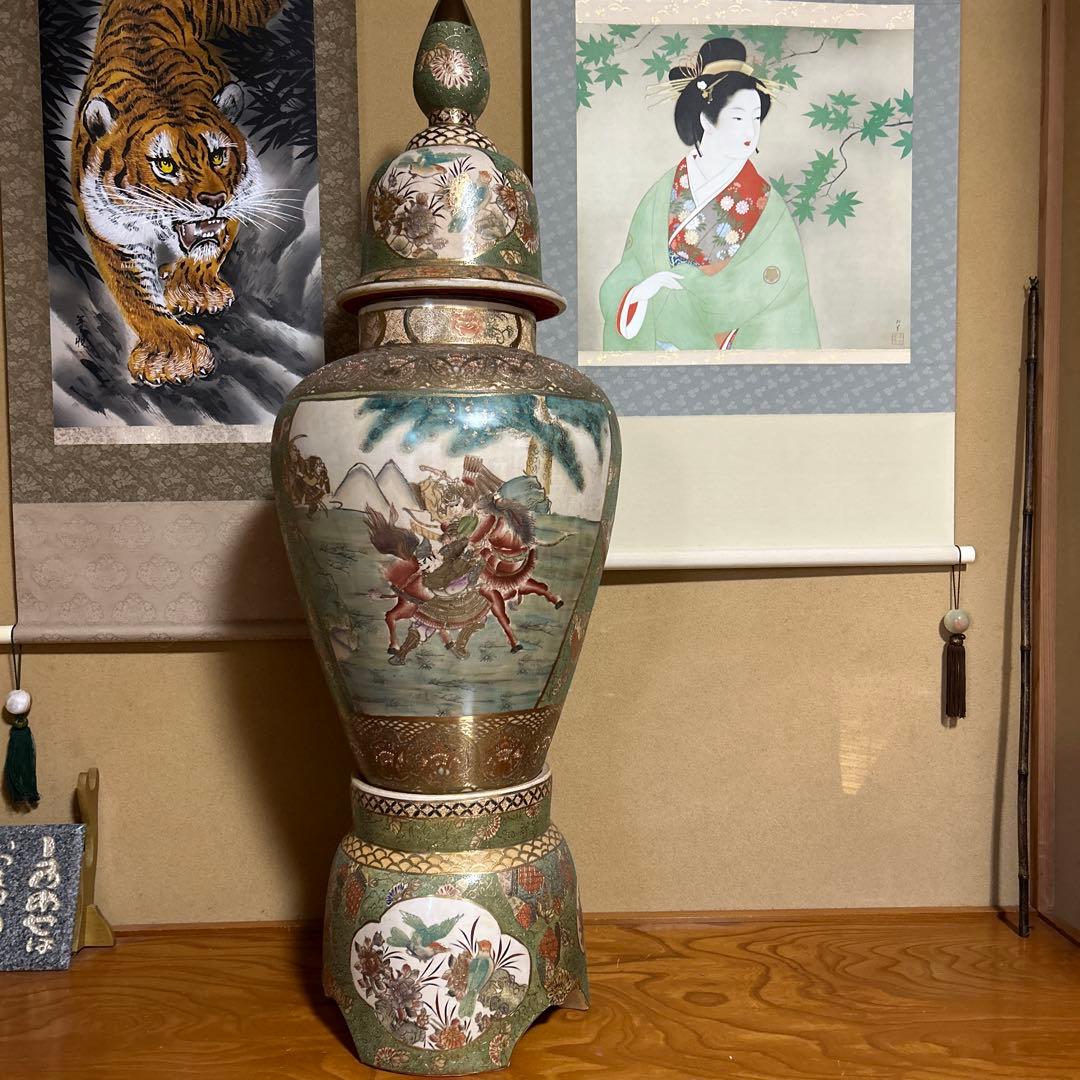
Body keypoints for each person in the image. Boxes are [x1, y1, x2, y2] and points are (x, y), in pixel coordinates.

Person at [600, 37, 820, 352]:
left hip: (730, 350)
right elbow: (630, 269)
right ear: (707, 119)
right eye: (739, 118)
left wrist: (695, 289)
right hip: (660, 351)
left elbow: (783, 295)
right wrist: (641, 292)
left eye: (756, 117)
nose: (751, 131)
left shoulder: (768, 206)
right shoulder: (662, 193)